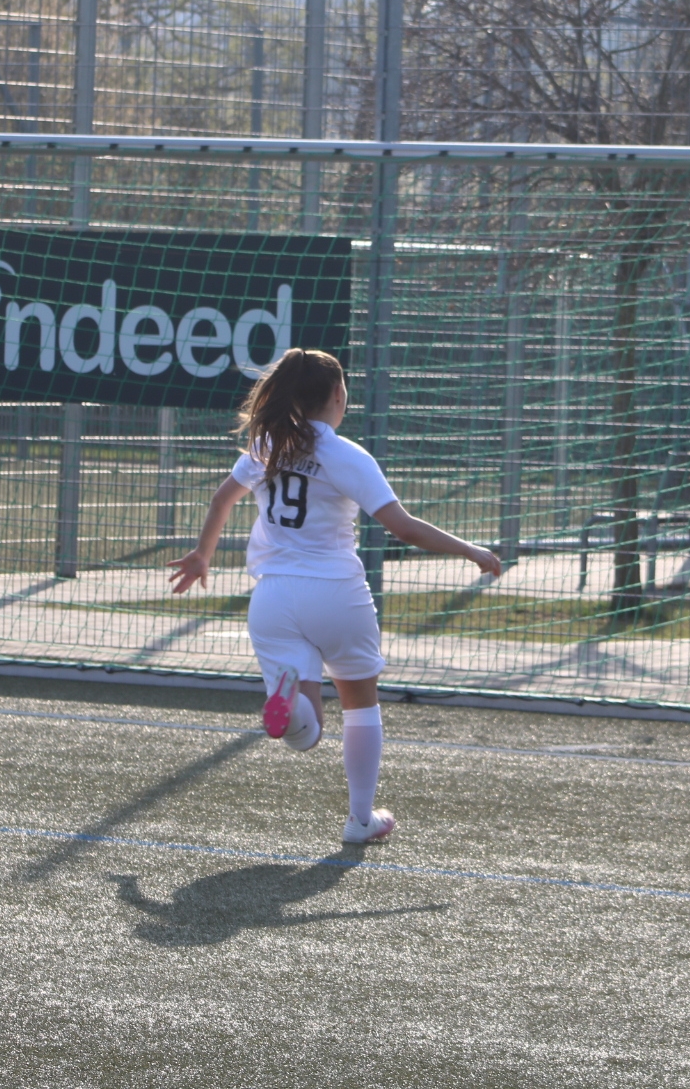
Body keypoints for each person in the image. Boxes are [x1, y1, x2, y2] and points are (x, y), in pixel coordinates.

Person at [167, 348, 503, 845]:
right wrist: (470, 549)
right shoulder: (346, 454)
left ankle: (293, 706)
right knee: (360, 704)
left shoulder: (266, 444)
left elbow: (222, 499)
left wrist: (201, 555)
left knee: (309, 733)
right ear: (339, 396)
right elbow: (402, 528)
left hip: (273, 600)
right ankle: (360, 820)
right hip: (336, 595)